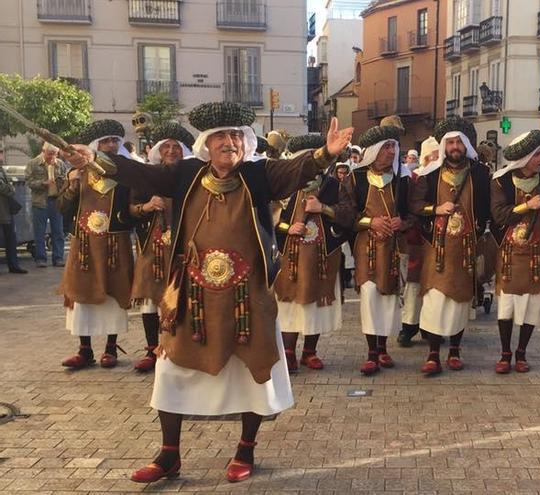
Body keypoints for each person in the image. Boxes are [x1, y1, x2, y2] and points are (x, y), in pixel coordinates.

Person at [63, 102, 352, 483]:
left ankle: (245, 450)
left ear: (245, 142)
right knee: (172, 369)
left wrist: (324, 155)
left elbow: (294, 170)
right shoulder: (184, 173)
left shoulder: (259, 175)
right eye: (221, 137)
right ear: (206, 144)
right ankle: (169, 456)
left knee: (252, 373)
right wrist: (96, 157)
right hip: (192, 294)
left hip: (248, 295)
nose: (230, 143)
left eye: (236, 136)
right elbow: (141, 173)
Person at [409, 116, 491, 374]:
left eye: (459, 142)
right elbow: (415, 205)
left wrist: (477, 232)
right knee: (435, 299)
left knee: (459, 300)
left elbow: (486, 207)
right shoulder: (430, 174)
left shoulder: (480, 173)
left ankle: (455, 350)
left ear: (466, 145)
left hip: (465, 246)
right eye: (451, 142)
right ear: (444, 146)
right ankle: (433, 353)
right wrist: (436, 209)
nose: (455, 147)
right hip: (437, 247)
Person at [57, 119, 134, 370]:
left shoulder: (125, 171)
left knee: (114, 290)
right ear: (94, 145)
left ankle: (111, 348)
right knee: (81, 292)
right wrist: (73, 184)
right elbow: (63, 209)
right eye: (106, 141)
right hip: (84, 241)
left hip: (114, 241)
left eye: (115, 140)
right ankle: (85, 348)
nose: (111, 145)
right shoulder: (77, 172)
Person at [274, 134, 354, 373]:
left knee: (316, 303)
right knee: (289, 303)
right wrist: (288, 227)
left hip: (322, 256)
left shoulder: (332, 186)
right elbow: (268, 215)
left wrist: (324, 209)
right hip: (289, 256)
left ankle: (310, 351)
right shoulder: (282, 185)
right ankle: (288, 351)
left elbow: (349, 214)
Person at [490, 127, 540, 373]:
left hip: (538, 249)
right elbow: (499, 215)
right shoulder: (501, 180)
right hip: (510, 251)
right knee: (507, 303)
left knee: (533, 302)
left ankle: (521, 352)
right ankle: (505, 352)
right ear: (525, 158)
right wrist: (527, 206)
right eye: (538, 154)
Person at [128, 123, 194, 373]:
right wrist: (146, 206)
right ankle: (151, 349)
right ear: (158, 149)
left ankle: (179, 347)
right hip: (152, 245)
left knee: (182, 297)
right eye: (166, 146)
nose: (171, 150)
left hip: (184, 245)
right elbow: (130, 209)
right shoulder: (147, 175)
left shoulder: (193, 176)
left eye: (176, 147)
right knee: (150, 298)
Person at [348, 124, 411, 374]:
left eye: (394, 146)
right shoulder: (356, 177)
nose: (391, 152)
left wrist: (402, 221)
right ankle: (371, 352)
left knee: (388, 297)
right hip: (366, 248)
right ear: (374, 150)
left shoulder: (402, 180)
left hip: (392, 248)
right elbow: (345, 214)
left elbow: (413, 212)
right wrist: (370, 221)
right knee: (369, 296)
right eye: (386, 147)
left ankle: (383, 349)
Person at [398, 136, 439, 347]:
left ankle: (429, 326)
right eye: (433, 155)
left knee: (435, 285)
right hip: (418, 238)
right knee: (414, 284)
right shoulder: (414, 177)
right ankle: (409, 326)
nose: (437, 158)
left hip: (439, 239)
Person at [25, 142, 68, 267]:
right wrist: (43, 183)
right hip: (40, 202)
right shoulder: (33, 163)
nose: (52, 156)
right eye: (50, 154)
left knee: (58, 232)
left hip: (56, 201)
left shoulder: (60, 164)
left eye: (55, 154)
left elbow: (66, 179)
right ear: (43, 151)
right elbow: (29, 182)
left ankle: (58, 258)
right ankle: (41, 259)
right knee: (39, 232)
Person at [0, 163, 28, 274]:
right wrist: (10, 188)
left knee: (11, 238)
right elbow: (3, 187)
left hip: (5, 210)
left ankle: (14, 265)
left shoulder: (1, 168)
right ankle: (13, 265)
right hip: (3, 210)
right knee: (10, 237)